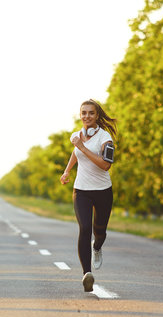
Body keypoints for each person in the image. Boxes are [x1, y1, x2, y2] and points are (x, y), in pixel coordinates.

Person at [60, 99, 117, 292]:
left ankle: (97, 247)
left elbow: (105, 165)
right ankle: (87, 274)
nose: (87, 116)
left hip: (103, 191)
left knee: (99, 231)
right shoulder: (77, 136)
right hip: (81, 190)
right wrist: (67, 171)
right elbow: (76, 154)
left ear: (97, 115)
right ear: (80, 115)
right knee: (84, 228)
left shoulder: (104, 138)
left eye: (91, 113)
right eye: (83, 113)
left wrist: (82, 147)